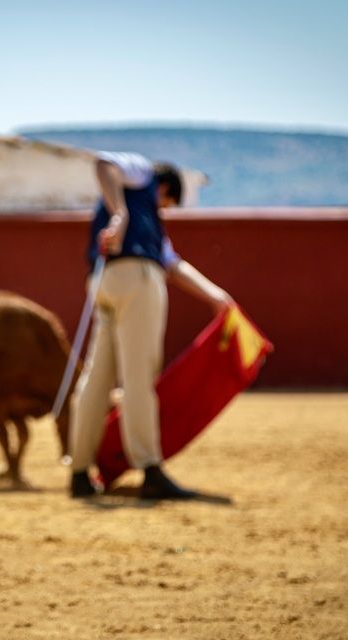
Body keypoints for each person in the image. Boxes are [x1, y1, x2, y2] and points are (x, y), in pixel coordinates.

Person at [69, 151, 233, 500]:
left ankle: (80, 471)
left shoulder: (149, 224)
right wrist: (121, 214)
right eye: (167, 202)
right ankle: (149, 468)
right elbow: (103, 164)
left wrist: (216, 296)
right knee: (139, 376)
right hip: (137, 279)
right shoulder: (141, 175)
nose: (163, 210)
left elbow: (173, 264)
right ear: (163, 187)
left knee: (97, 378)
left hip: (104, 282)